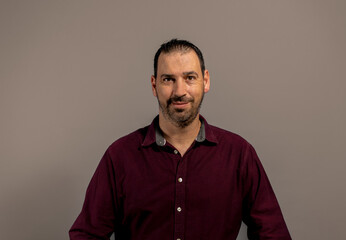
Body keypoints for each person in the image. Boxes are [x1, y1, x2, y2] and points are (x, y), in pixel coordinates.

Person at [69, 39, 291, 240]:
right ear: (154, 85)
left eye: (190, 78)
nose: (179, 91)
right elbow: (87, 235)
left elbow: (273, 235)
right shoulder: (119, 157)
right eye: (168, 79)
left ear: (205, 81)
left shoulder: (239, 154)